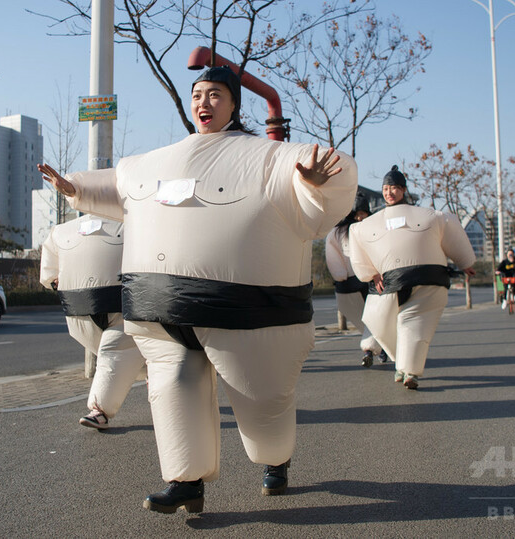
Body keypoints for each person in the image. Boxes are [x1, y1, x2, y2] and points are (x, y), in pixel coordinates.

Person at [38, 66, 357, 514]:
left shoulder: (270, 158)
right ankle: (185, 481)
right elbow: (119, 185)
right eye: (198, 95)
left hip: (247, 311)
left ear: (233, 104)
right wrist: (76, 189)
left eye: (215, 95)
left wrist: (316, 185)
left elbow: (321, 190)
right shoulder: (157, 161)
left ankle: (275, 459)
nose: (204, 103)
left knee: (262, 401)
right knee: (172, 388)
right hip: (161, 307)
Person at [348, 165, 476, 390]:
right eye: (386, 188)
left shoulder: (430, 217)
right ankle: (404, 366)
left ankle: (410, 372)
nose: (389, 193)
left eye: (394, 188)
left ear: (404, 190)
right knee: (382, 321)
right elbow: (358, 245)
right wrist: (371, 273)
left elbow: (450, 227)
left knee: (414, 324)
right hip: (392, 283)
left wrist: (465, 262)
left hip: (427, 280)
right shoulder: (367, 226)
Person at [40, 215, 146, 429]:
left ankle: (100, 410)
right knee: (125, 355)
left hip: (103, 306)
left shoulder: (61, 231)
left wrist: (53, 280)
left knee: (116, 351)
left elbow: (49, 272)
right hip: (84, 308)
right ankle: (155, 377)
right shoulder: (131, 222)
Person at [324, 191, 386, 367]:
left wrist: (341, 277)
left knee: (371, 319)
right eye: (357, 214)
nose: (359, 218)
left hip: (365, 281)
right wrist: (341, 275)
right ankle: (378, 349)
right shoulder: (340, 233)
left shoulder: (338, 233)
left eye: (363, 214)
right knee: (369, 320)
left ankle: (371, 349)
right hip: (360, 280)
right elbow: (334, 257)